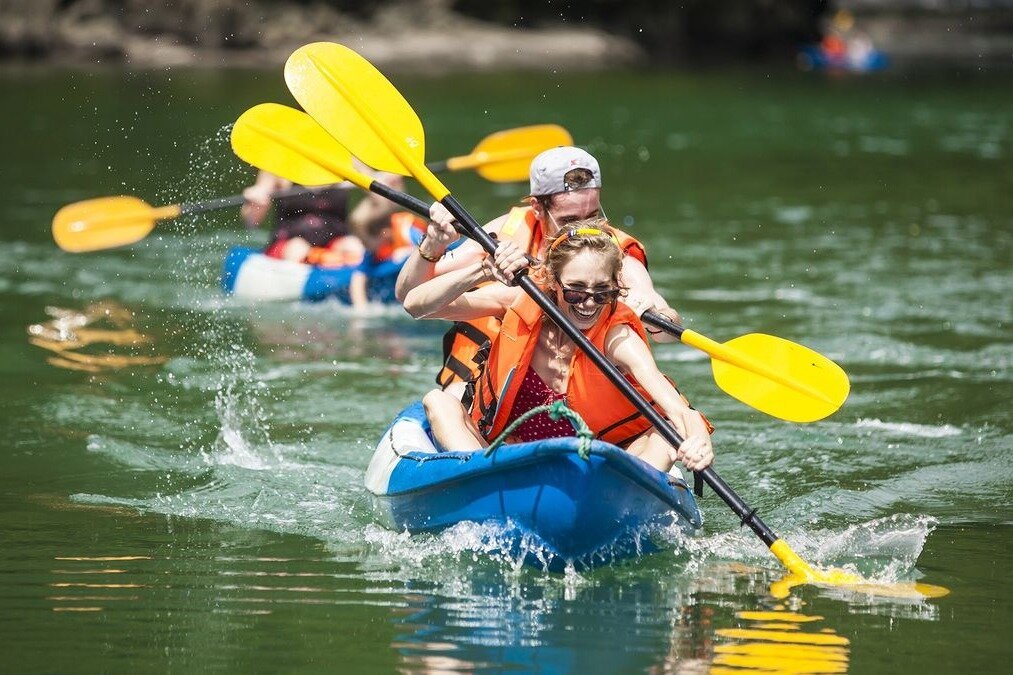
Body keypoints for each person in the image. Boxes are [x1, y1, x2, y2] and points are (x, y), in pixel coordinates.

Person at [403, 222, 712, 474]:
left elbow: (678, 410)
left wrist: (698, 441)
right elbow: (415, 305)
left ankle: (620, 509)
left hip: (596, 471)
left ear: (615, 286)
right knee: (439, 401)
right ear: (553, 281)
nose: (589, 303)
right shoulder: (521, 302)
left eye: (602, 292)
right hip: (509, 461)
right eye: (575, 291)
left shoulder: (618, 338)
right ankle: (484, 484)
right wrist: (482, 271)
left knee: (665, 435)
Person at [394, 146, 683, 396]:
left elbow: (665, 327)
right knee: (454, 394)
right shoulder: (500, 236)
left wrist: (656, 318)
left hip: (579, 387)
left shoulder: (613, 251)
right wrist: (432, 246)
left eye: (592, 217)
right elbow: (410, 296)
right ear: (537, 207)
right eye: (569, 219)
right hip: (490, 376)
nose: (582, 231)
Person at [240, 170, 403, 268]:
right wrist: (255, 204)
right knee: (298, 249)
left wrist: (390, 187)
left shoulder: (345, 160)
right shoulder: (279, 160)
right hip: (290, 242)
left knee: (354, 247)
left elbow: (381, 200)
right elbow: (251, 222)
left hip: (334, 241)